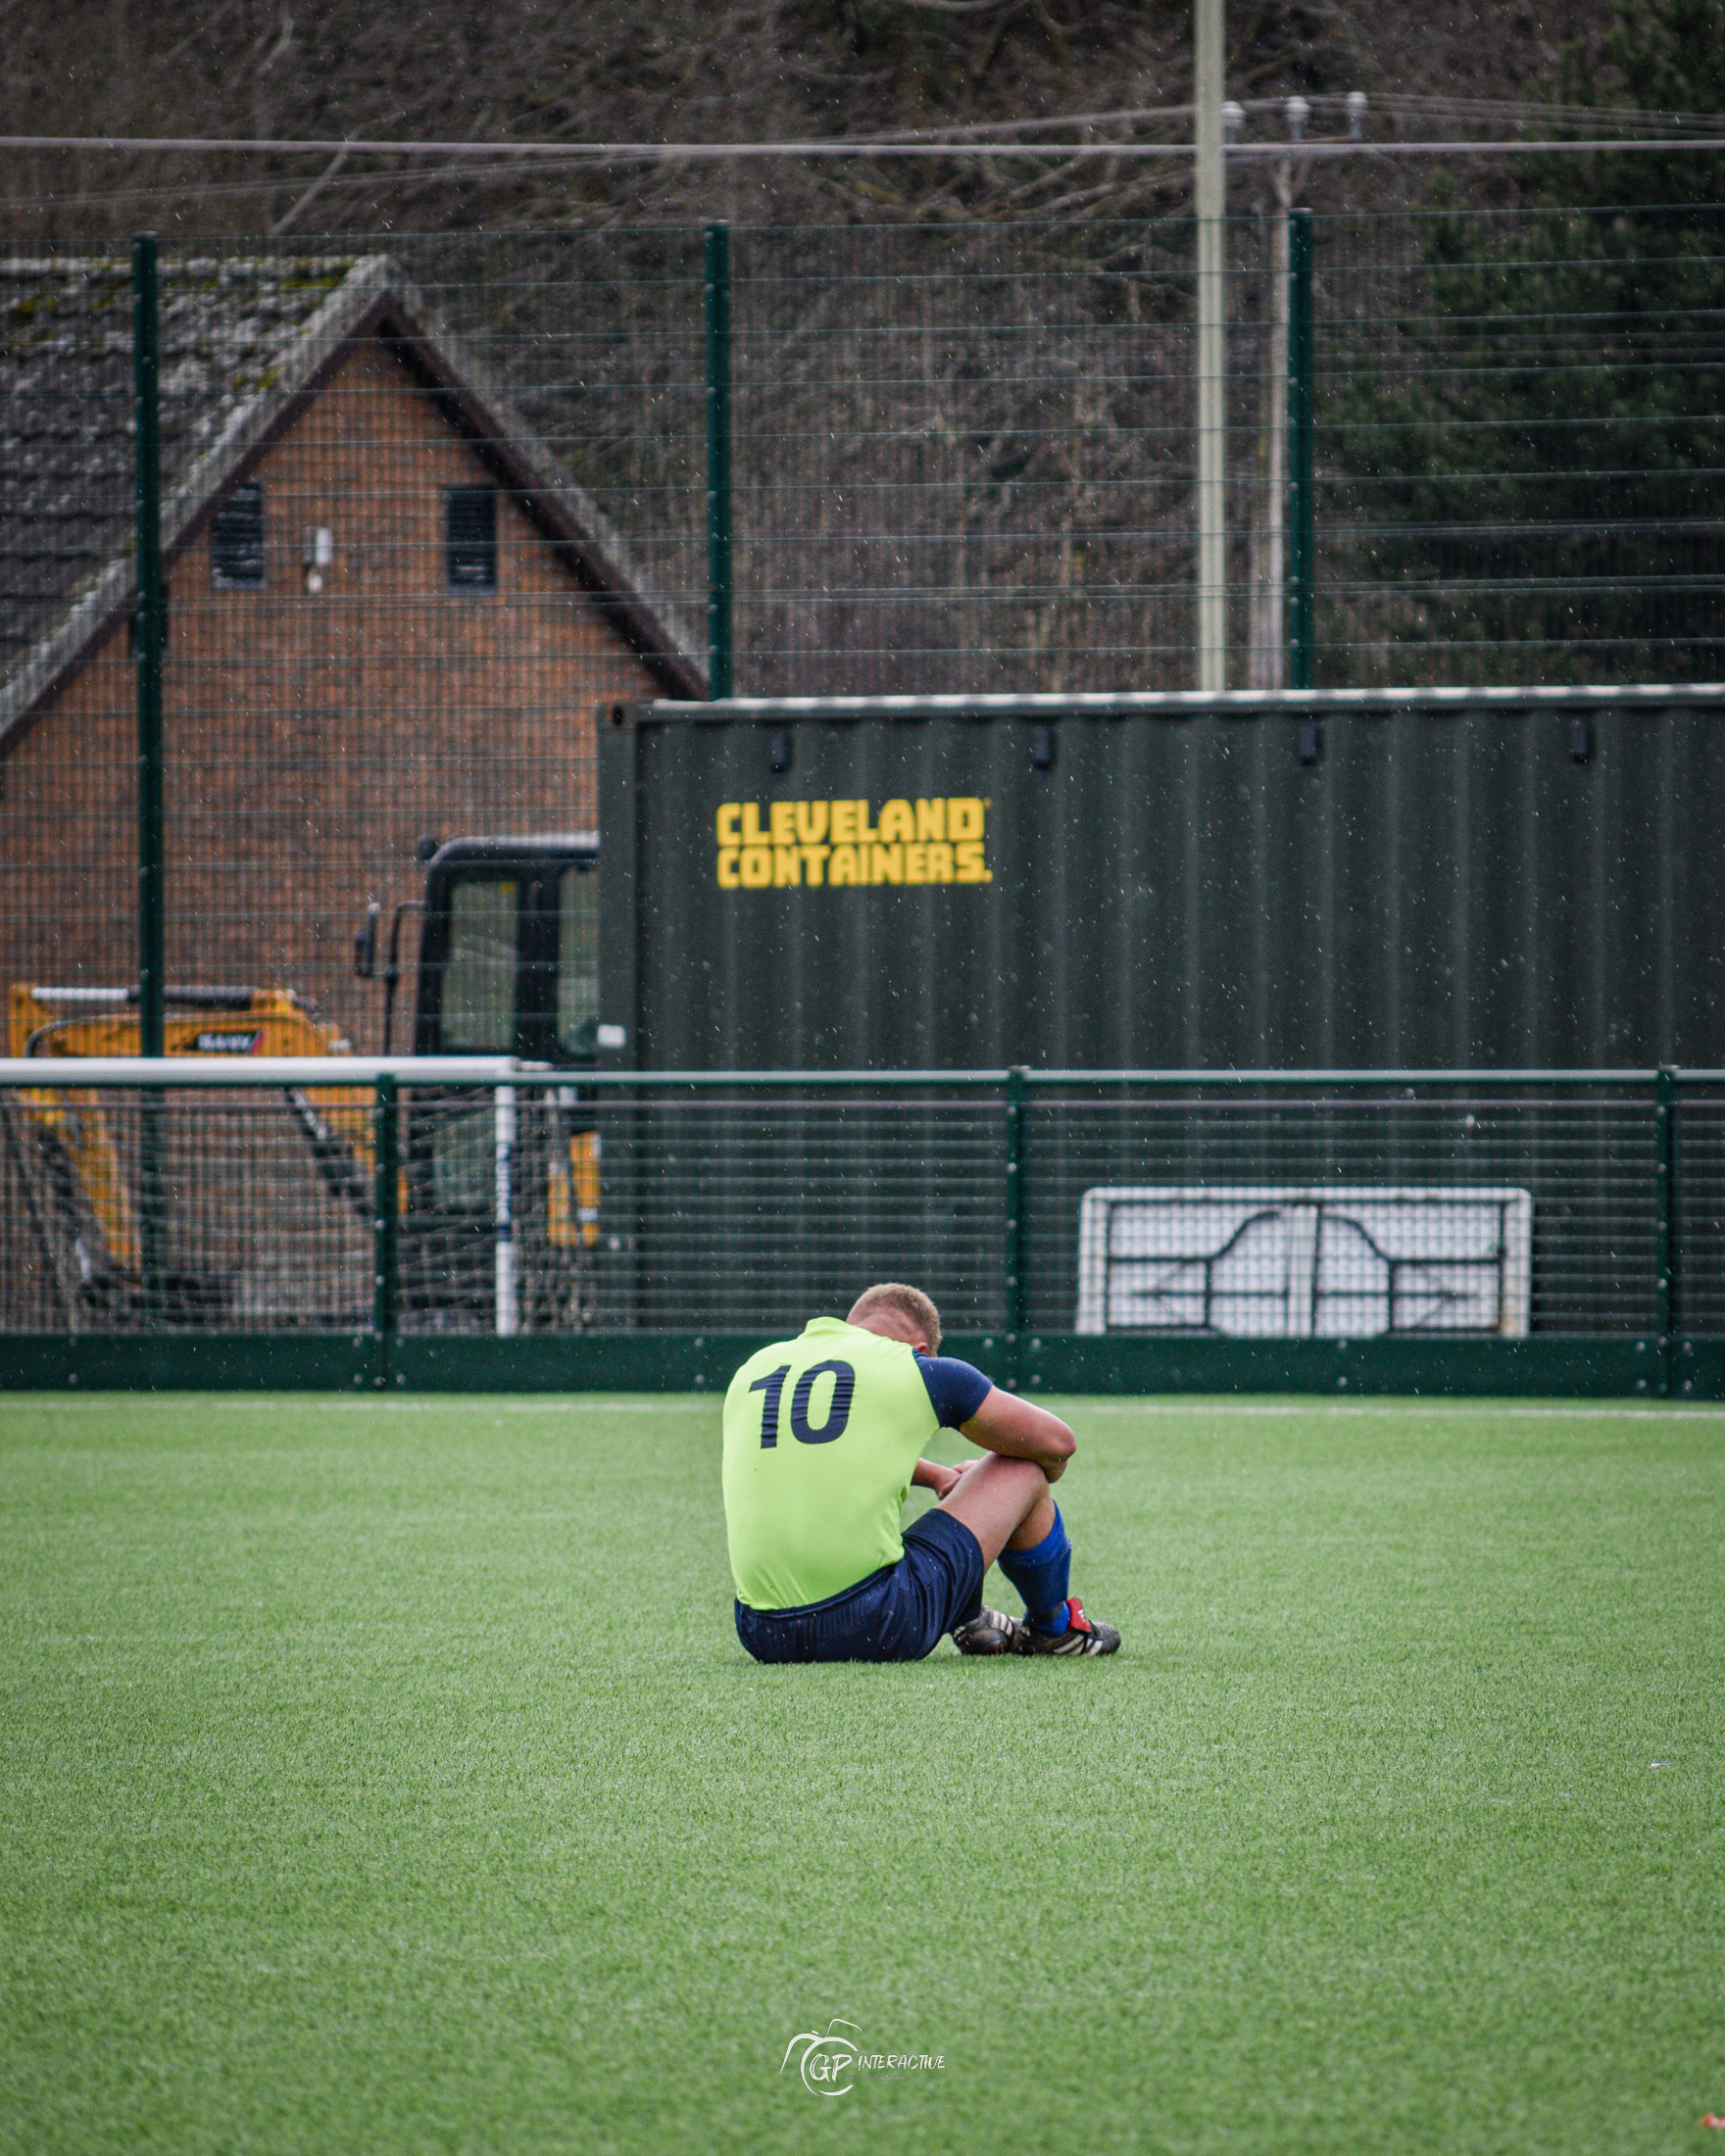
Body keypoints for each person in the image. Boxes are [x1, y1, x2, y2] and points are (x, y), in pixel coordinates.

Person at [721, 1281, 1120, 1663]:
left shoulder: (756, 1368)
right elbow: (1057, 1444)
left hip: (761, 1633)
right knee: (1021, 1468)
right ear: (921, 1349)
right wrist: (1003, 1494)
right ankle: (1054, 1630)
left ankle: (969, 1617)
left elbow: (820, 1451)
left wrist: (939, 1477)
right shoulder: (912, 1368)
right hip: (872, 1626)